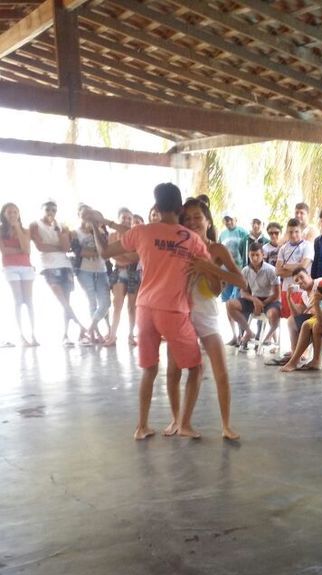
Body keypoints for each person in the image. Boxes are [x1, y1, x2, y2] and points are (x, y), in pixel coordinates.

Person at [89, 183, 210, 440]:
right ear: (179, 208)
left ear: (156, 208)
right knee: (196, 369)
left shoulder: (142, 232)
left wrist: (95, 225)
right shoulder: (192, 240)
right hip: (174, 311)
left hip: (145, 309)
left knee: (149, 369)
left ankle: (141, 426)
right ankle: (184, 424)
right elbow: (209, 273)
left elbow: (105, 252)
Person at [180, 197, 245, 440]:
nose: (193, 222)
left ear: (208, 221)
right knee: (190, 371)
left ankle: (226, 426)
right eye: (187, 219)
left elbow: (241, 281)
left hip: (207, 316)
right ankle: (182, 422)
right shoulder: (177, 247)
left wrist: (208, 267)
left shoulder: (217, 249)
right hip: (181, 316)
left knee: (221, 373)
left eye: (198, 217)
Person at [30, 200, 86, 346]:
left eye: (54, 210)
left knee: (66, 301)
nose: (51, 212)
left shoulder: (60, 226)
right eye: (48, 209)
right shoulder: (35, 225)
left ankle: (66, 335)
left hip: (64, 264)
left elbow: (66, 247)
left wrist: (58, 235)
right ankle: (80, 326)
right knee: (61, 299)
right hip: (48, 265)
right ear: (42, 209)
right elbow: (40, 247)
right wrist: (58, 246)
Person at [227, 241, 281, 349]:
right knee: (230, 304)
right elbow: (243, 291)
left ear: (263, 255)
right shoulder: (245, 270)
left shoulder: (271, 270)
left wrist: (261, 304)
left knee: (273, 314)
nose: (255, 258)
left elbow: (276, 294)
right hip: (254, 299)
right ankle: (248, 331)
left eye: (257, 255)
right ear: (248, 255)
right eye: (252, 255)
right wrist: (254, 300)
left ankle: (268, 337)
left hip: (270, 300)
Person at [273, 218, 314, 359]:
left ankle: (304, 351)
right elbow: (277, 271)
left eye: (297, 231)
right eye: (291, 232)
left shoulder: (307, 246)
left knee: (299, 319)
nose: (294, 234)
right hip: (286, 289)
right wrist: (294, 266)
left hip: (302, 290)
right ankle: (294, 349)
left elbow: (303, 266)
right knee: (290, 320)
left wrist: (286, 265)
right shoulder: (283, 248)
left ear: (301, 231)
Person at [0, 202, 37, 346]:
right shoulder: (1, 231)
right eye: (9, 212)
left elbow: (27, 249)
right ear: (4, 214)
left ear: (19, 214)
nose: (13, 215)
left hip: (26, 267)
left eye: (15, 212)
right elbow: (5, 251)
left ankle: (33, 334)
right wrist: (19, 250)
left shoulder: (25, 230)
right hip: (10, 268)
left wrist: (17, 228)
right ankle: (21, 335)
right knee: (18, 301)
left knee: (29, 301)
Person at [73, 205, 111, 344]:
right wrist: (98, 253)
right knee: (92, 302)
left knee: (106, 302)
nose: (87, 216)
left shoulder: (101, 231)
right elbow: (79, 252)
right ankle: (96, 333)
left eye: (90, 213)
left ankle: (90, 328)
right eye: (84, 214)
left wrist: (96, 230)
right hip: (84, 271)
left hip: (102, 270)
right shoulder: (75, 232)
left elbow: (107, 251)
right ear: (79, 215)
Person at [105, 207, 139, 346]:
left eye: (129, 218)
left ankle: (131, 335)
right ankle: (113, 335)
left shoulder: (136, 235)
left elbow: (135, 257)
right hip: (119, 271)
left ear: (132, 221)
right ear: (119, 219)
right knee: (117, 304)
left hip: (133, 272)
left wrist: (121, 252)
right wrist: (126, 254)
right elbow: (111, 255)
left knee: (132, 307)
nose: (126, 220)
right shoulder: (112, 235)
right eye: (123, 218)